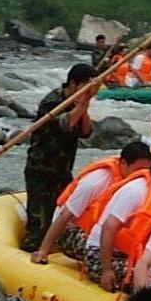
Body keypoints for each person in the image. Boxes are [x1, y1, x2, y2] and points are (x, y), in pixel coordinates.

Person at [33, 140, 151, 265]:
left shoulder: (138, 186)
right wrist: (43, 251)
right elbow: (65, 215)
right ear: (123, 163)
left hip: (98, 231)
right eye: (139, 170)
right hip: (68, 230)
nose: (143, 175)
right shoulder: (96, 181)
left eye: (147, 171)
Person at [86, 147, 151, 291]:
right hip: (99, 255)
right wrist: (106, 270)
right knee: (149, 278)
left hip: (127, 256)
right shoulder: (136, 191)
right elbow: (109, 227)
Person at [21, 63, 99, 251]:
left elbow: (86, 132)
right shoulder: (53, 102)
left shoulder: (77, 103)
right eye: (84, 85)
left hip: (63, 172)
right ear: (72, 83)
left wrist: (84, 104)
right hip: (41, 171)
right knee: (39, 226)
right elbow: (66, 124)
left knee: (66, 220)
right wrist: (81, 104)